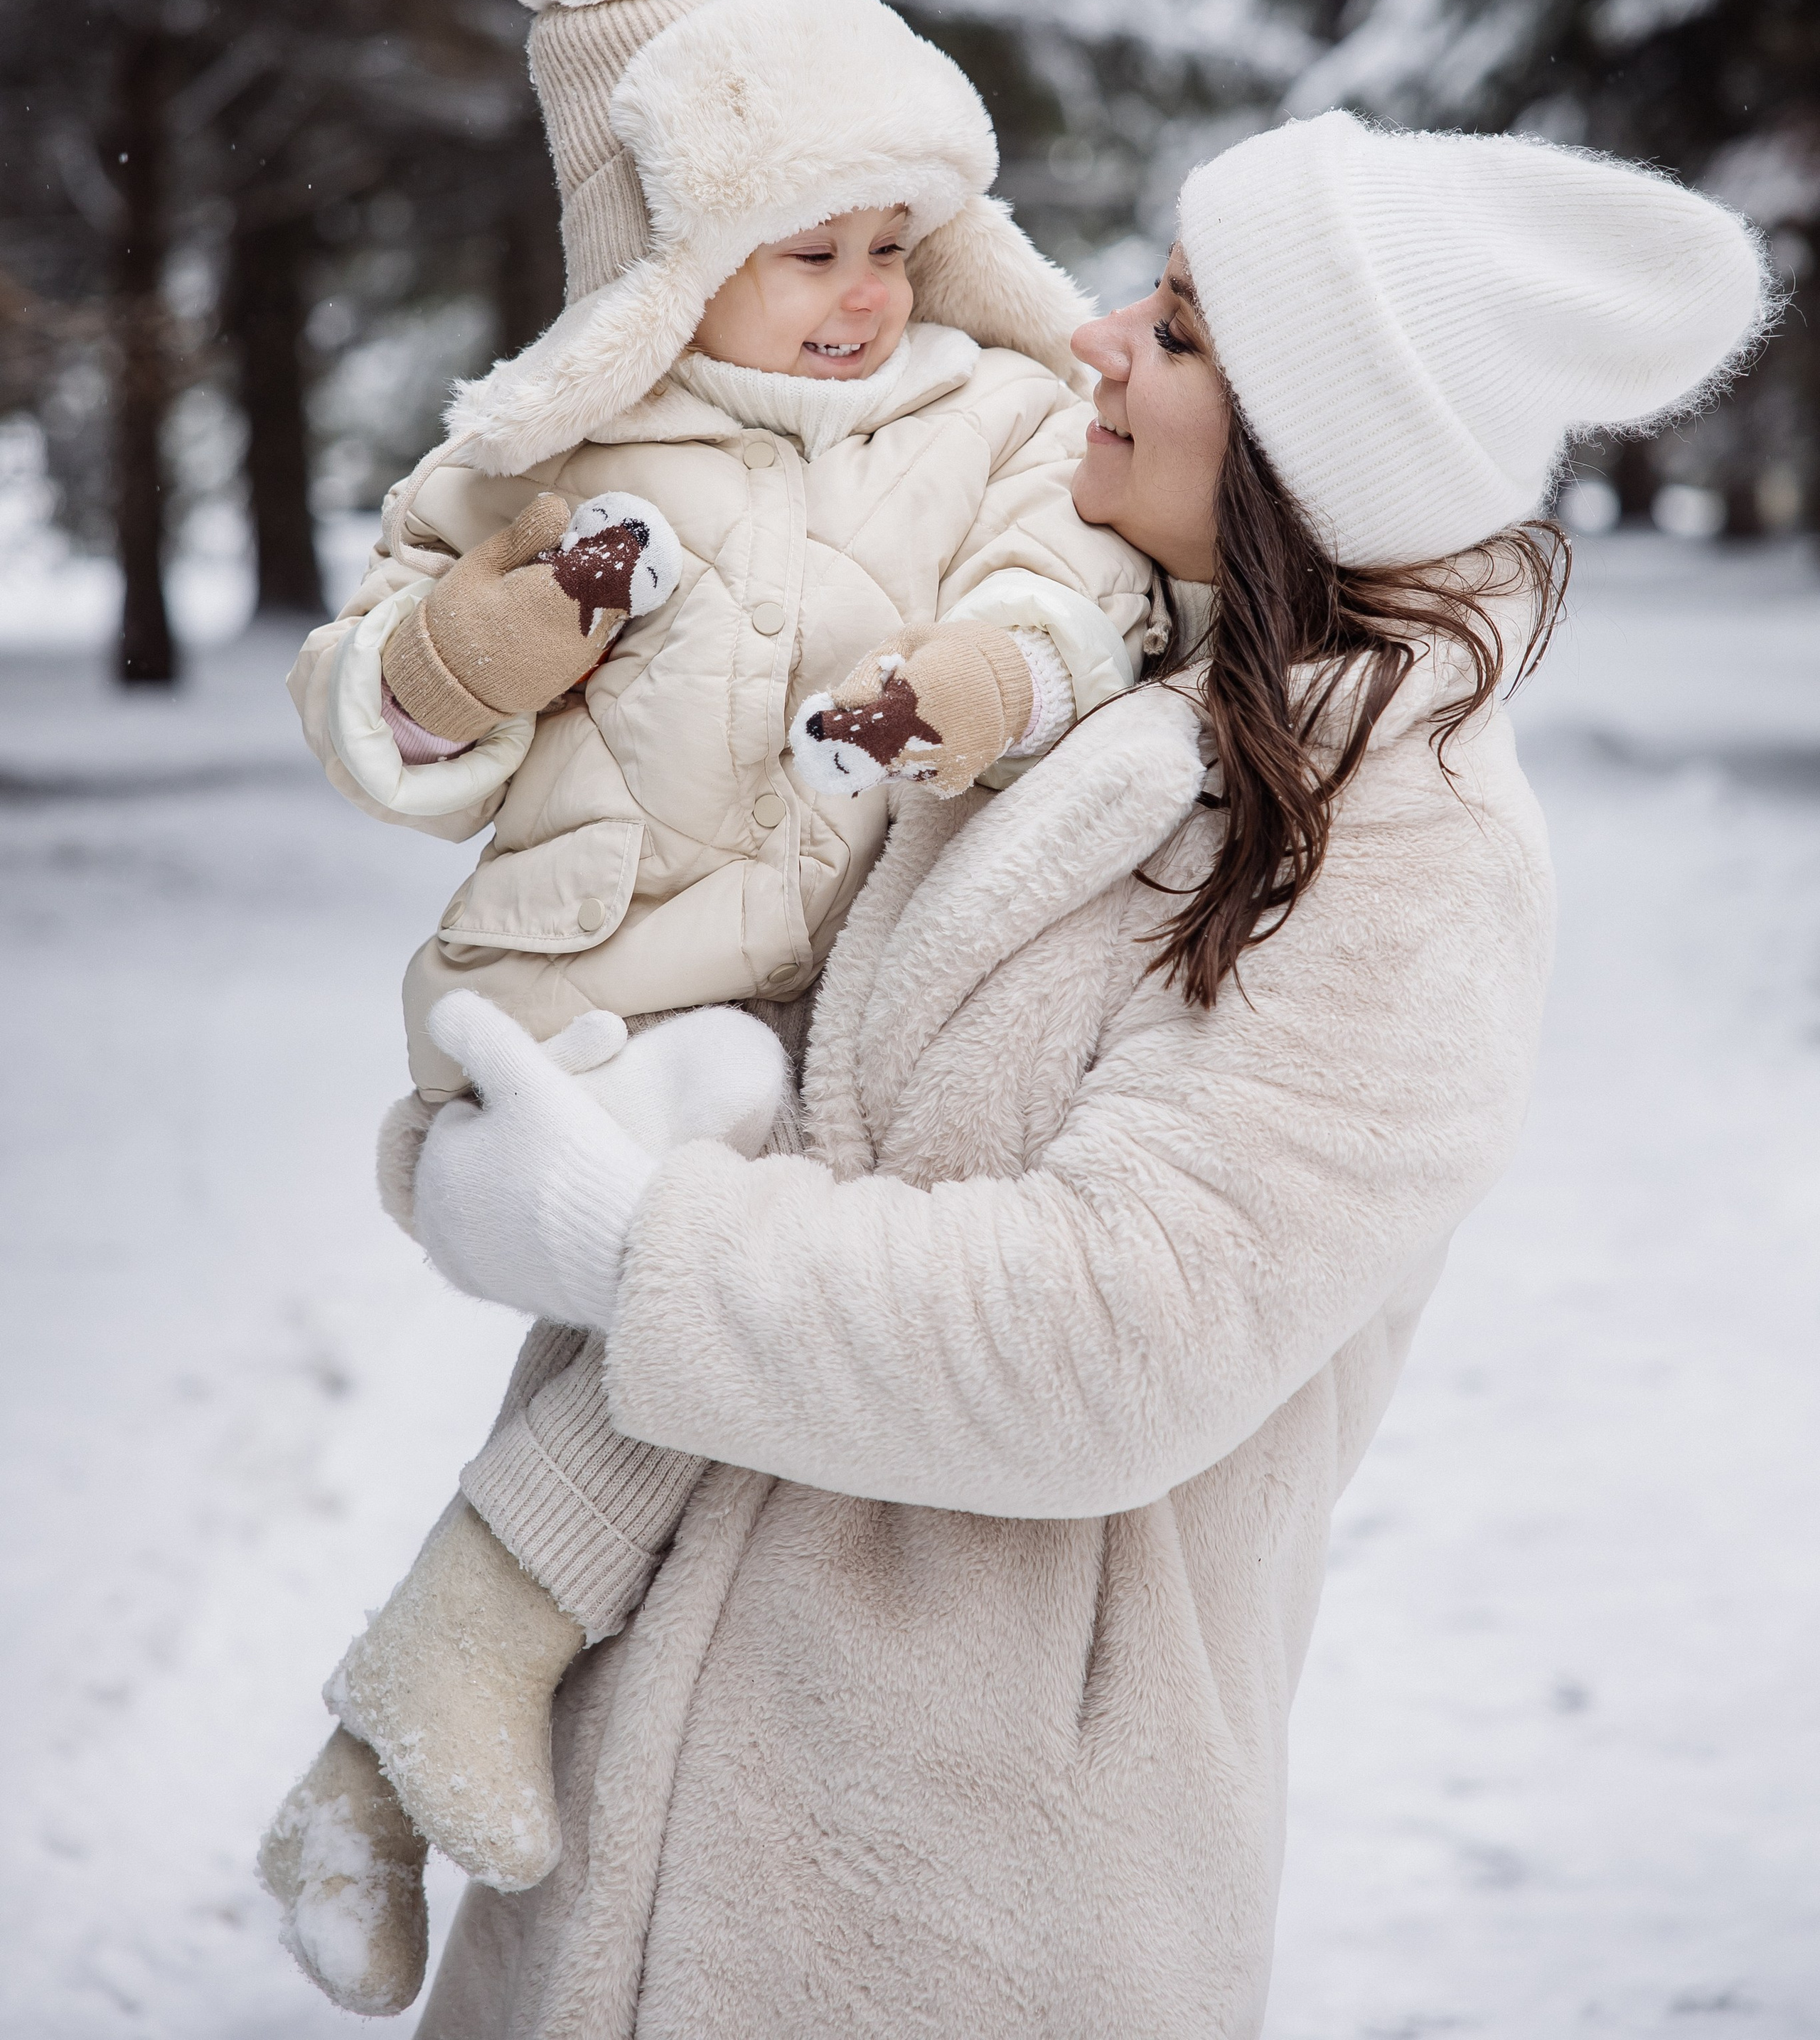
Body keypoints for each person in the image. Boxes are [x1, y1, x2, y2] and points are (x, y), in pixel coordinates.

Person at [350, 109, 1762, 2039]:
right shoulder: (1126, 703)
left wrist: (626, 1234)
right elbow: (839, 1044)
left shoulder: (1413, 854)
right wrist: (584, 1081)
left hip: (954, 1883)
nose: (1094, 338)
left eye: (1178, 331)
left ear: (1303, 457)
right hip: (673, 1770)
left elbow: (1112, 1338)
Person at [262, 0, 1153, 2005]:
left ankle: (386, 1757)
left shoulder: (991, 423)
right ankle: (420, 1713)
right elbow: (370, 689)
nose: (864, 294)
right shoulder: (571, 443)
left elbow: (1081, 600)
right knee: (705, 1252)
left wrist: (963, 690)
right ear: (689, 257)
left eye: (892, 244)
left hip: (796, 1035)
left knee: (698, 1310)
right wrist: (491, 641)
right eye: (808, 251)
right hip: (563, 1024)